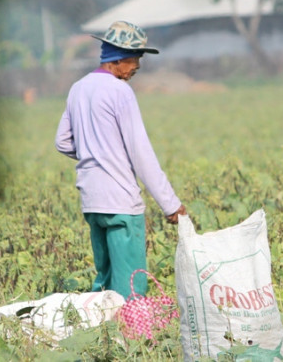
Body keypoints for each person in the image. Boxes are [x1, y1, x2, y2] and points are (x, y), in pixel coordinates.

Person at [55, 20, 187, 299]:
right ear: (121, 58)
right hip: (120, 202)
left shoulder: (78, 88)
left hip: (92, 200)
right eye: (135, 62)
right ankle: (132, 338)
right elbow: (141, 154)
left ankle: (102, 335)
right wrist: (171, 205)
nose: (135, 70)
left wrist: (95, 153)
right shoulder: (119, 92)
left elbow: (62, 142)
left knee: (103, 283)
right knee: (131, 286)